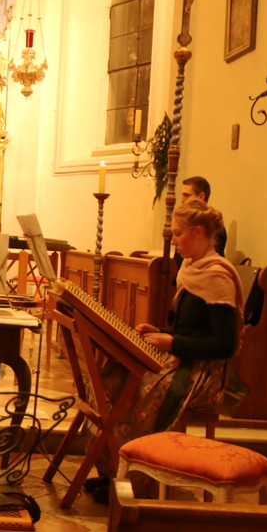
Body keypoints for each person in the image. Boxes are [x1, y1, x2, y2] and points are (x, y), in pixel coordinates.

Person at [88, 199, 244, 502]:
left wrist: (172, 343)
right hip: (184, 358)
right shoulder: (192, 268)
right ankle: (114, 474)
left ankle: (137, 483)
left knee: (140, 392)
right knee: (116, 379)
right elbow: (189, 329)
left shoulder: (217, 275)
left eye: (178, 234)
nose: (173, 241)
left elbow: (225, 345)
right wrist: (161, 332)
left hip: (203, 373)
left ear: (199, 233)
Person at [180, 176, 225, 256]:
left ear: (201, 197)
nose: (182, 200)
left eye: (186, 195)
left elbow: (213, 260)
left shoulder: (213, 226)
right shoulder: (186, 222)